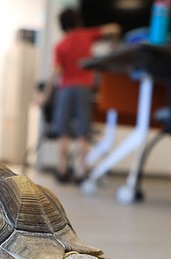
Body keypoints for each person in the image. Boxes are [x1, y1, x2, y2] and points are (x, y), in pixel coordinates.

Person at [40, 8, 120, 184]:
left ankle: (61, 170)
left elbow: (56, 72)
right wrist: (114, 44)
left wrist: (46, 95)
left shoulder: (60, 45)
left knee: (63, 133)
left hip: (65, 89)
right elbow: (114, 28)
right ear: (77, 21)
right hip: (84, 88)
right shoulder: (87, 35)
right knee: (83, 132)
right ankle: (80, 171)